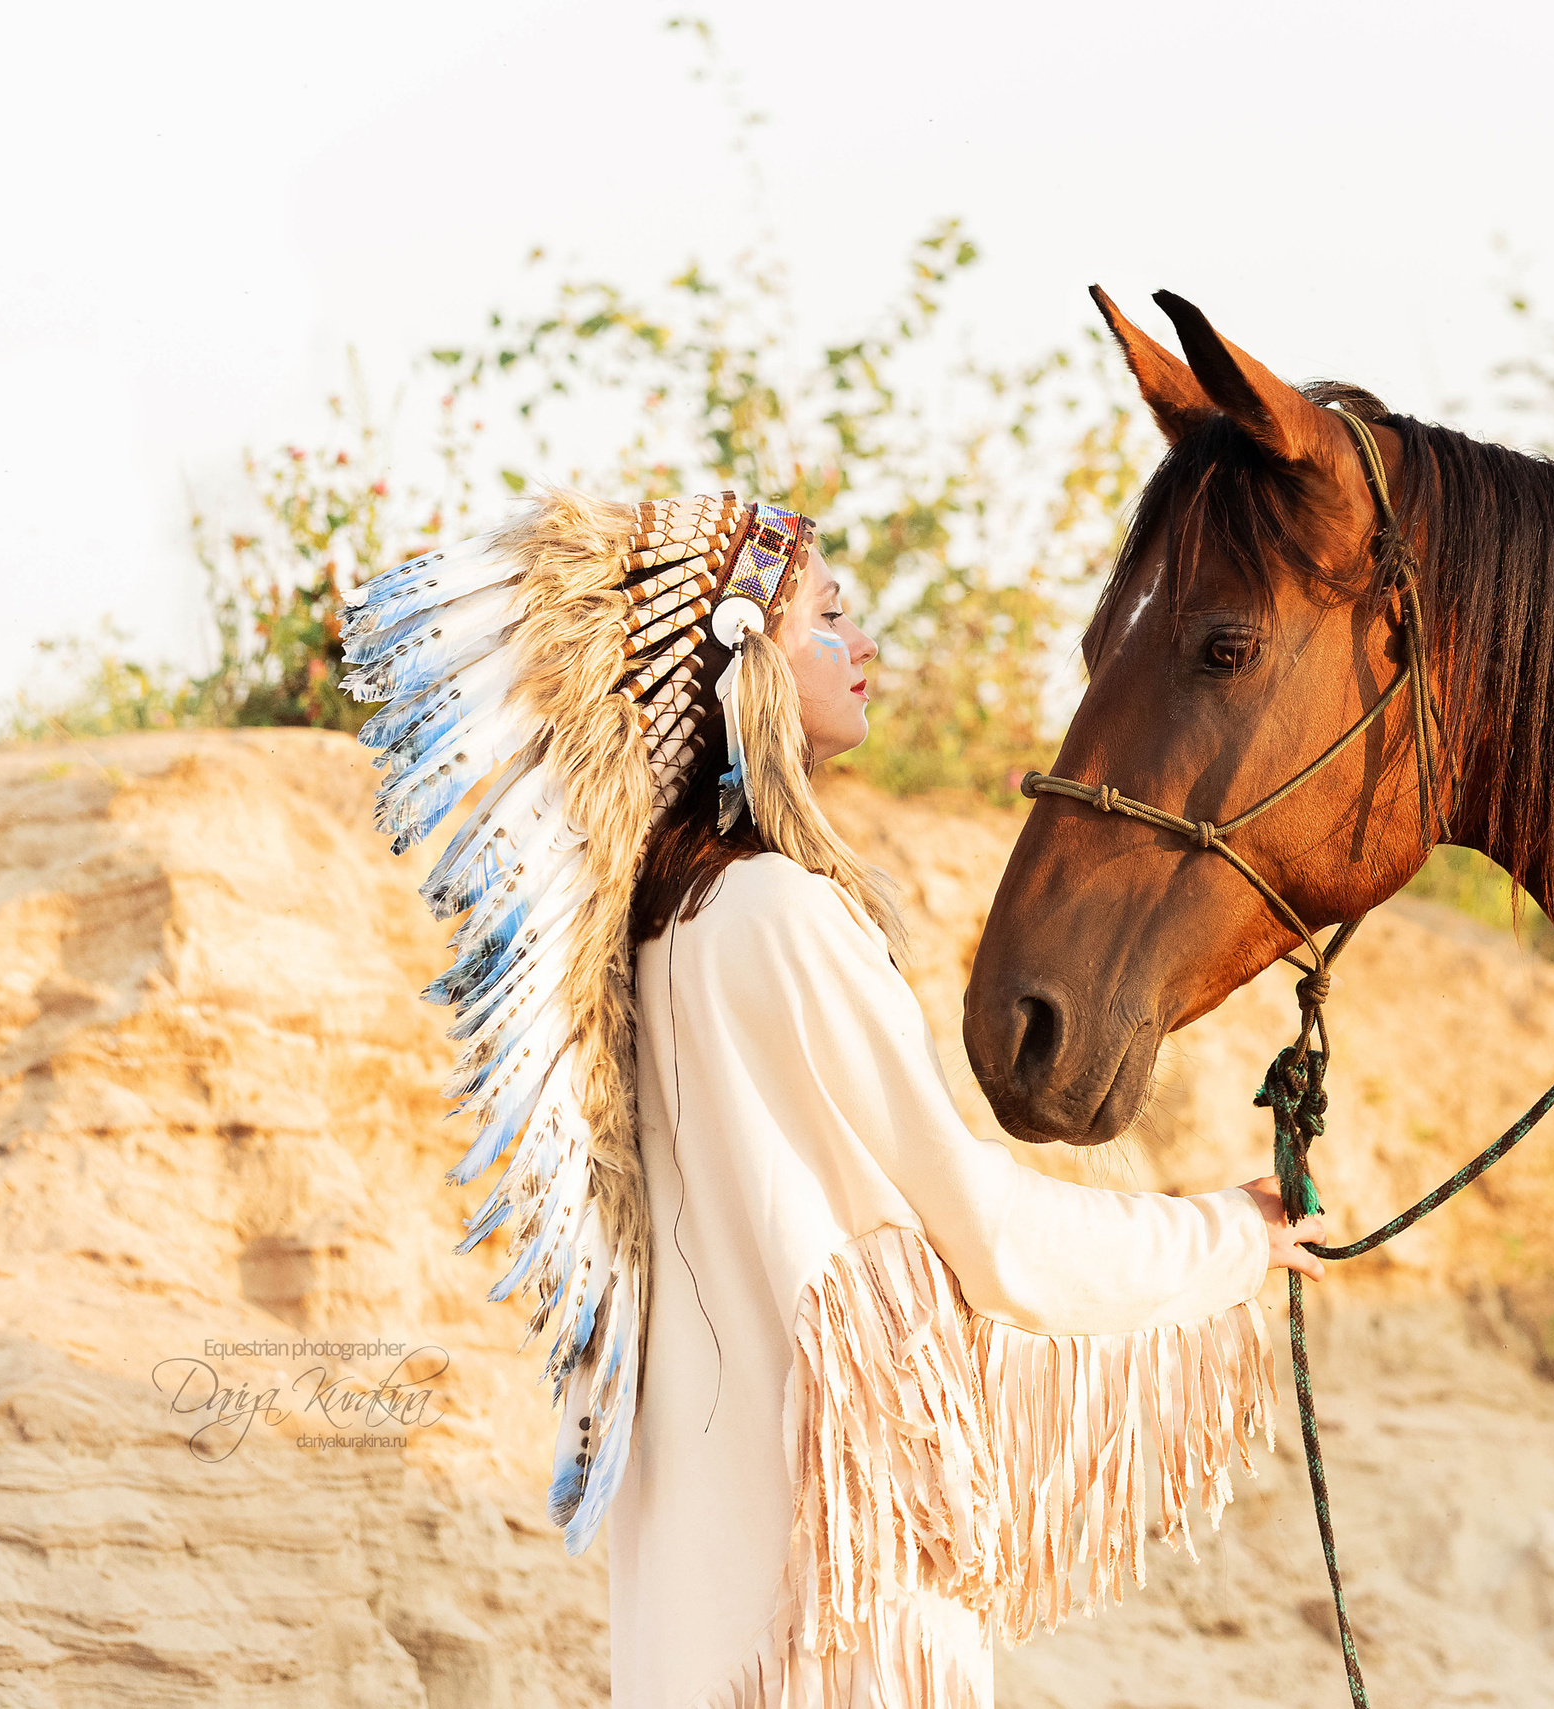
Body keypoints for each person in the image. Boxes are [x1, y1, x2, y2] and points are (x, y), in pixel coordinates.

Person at [345, 489, 1321, 1709]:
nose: (864, 645)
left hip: (715, 1619)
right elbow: (993, 1237)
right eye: (828, 616)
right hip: (838, 1600)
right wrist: (1233, 1231)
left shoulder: (655, 939)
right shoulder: (782, 915)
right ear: (743, 663)